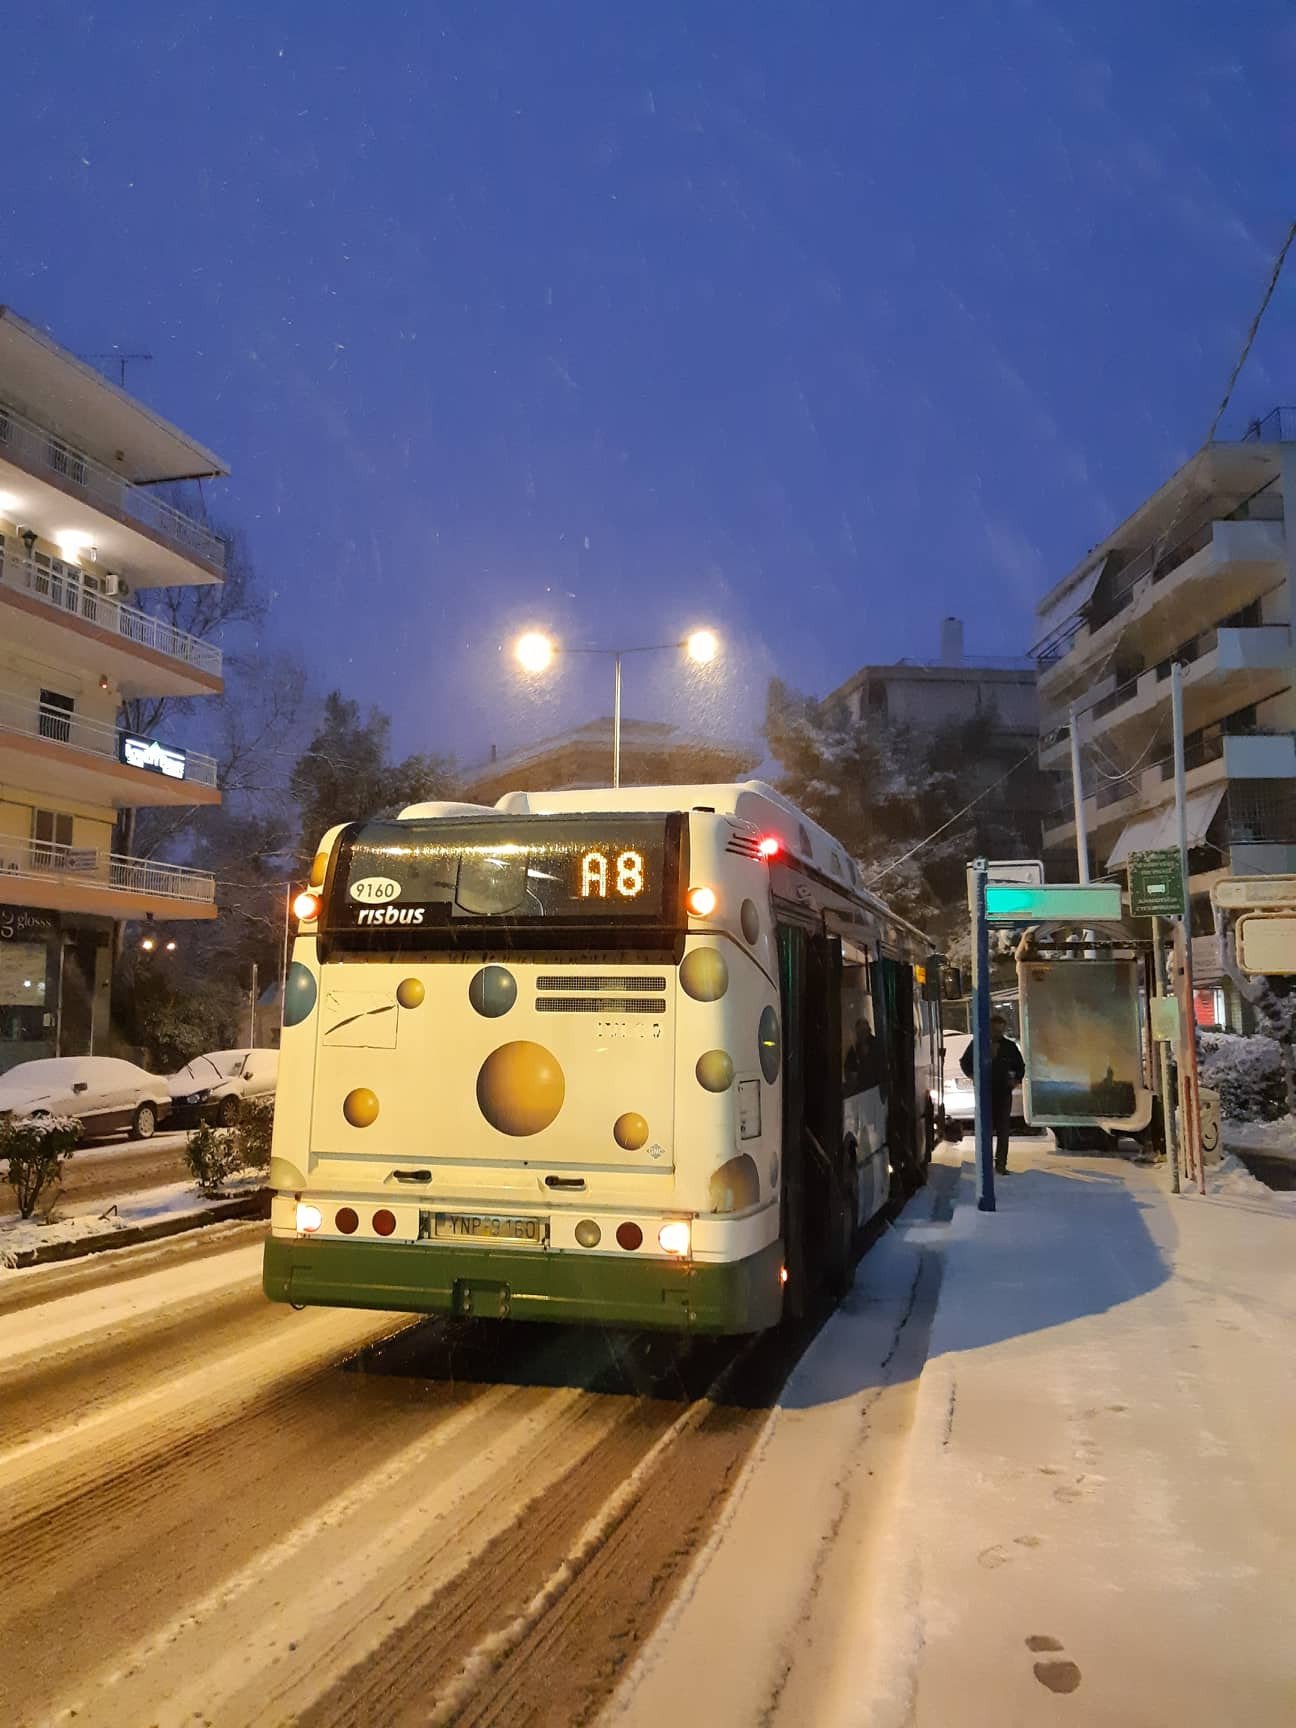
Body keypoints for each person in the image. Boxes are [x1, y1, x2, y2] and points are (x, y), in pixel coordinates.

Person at [960, 1013, 1025, 1174]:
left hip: (1003, 1092)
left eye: (1000, 1029)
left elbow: (1020, 1066)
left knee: (1003, 1130)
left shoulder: (1009, 1047)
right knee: (986, 1130)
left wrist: (1016, 1079)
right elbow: (965, 1062)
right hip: (985, 1092)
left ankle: (1000, 1164)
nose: (998, 1032)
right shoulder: (978, 1044)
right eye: (995, 1029)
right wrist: (973, 1075)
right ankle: (986, 1164)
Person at [844, 1018, 887, 1095]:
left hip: (876, 1089)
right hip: (861, 1091)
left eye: (864, 1031)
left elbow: (882, 1068)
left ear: (868, 1031)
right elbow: (849, 1069)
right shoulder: (854, 1049)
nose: (862, 1035)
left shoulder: (877, 1045)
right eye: (859, 1032)